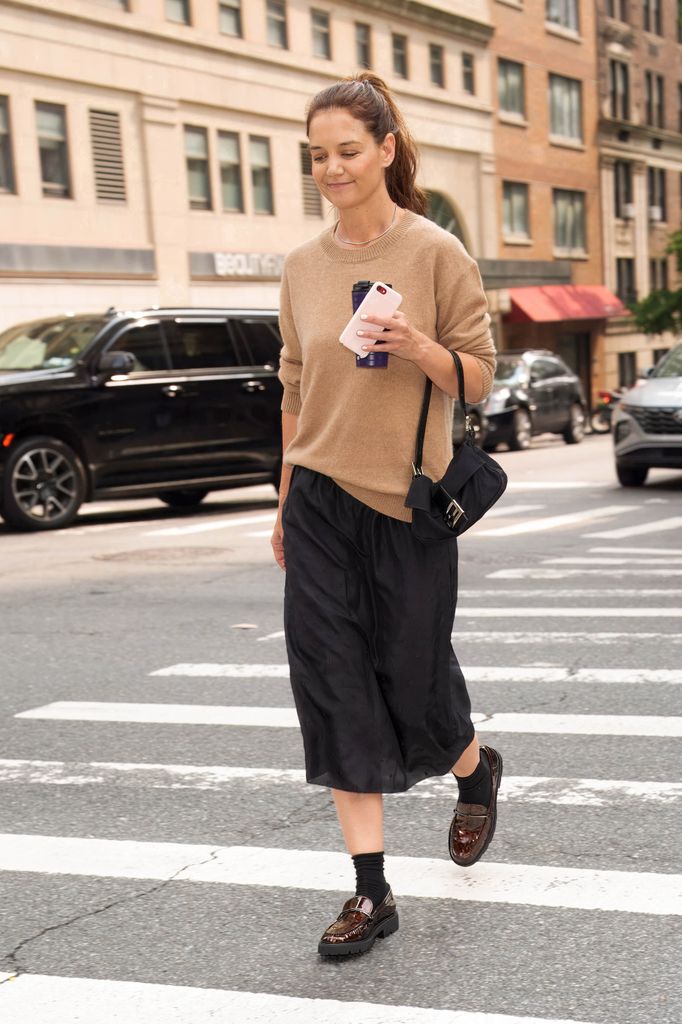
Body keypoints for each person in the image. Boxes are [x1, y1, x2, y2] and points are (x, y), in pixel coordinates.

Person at [270, 71, 502, 958]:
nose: (331, 168)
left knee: (413, 679)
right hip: (319, 501)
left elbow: (480, 378)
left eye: (347, 151)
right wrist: (284, 500)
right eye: (317, 155)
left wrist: (417, 345)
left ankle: (474, 769)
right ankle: (371, 891)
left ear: (386, 150)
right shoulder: (301, 266)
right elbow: (293, 388)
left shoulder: (436, 253)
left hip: (406, 504)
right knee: (333, 685)